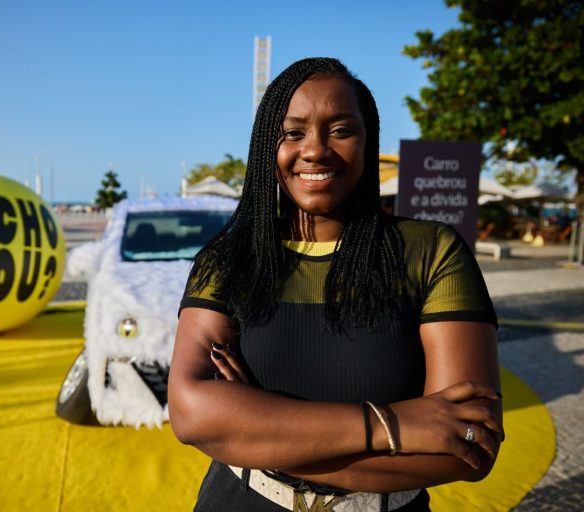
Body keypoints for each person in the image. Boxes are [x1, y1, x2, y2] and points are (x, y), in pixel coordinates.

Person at [168, 57, 502, 512]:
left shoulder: (430, 251)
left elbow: (468, 447)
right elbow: (189, 413)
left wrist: (254, 438)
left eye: (341, 130)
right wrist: (390, 426)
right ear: (268, 146)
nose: (315, 150)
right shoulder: (227, 260)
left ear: (368, 142)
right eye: (293, 132)